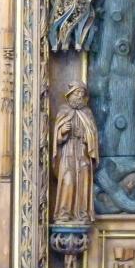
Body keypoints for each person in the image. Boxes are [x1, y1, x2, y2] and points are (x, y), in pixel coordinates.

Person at [53, 82, 100, 223]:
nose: (79, 96)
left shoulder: (87, 113)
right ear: (70, 94)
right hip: (68, 152)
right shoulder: (63, 111)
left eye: (82, 93)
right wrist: (62, 131)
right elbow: (56, 138)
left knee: (84, 180)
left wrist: (84, 135)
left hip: (82, 151)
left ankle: (83, 213)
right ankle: (64, 212)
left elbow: (93, 134)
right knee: (68, 180)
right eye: (77, 92)